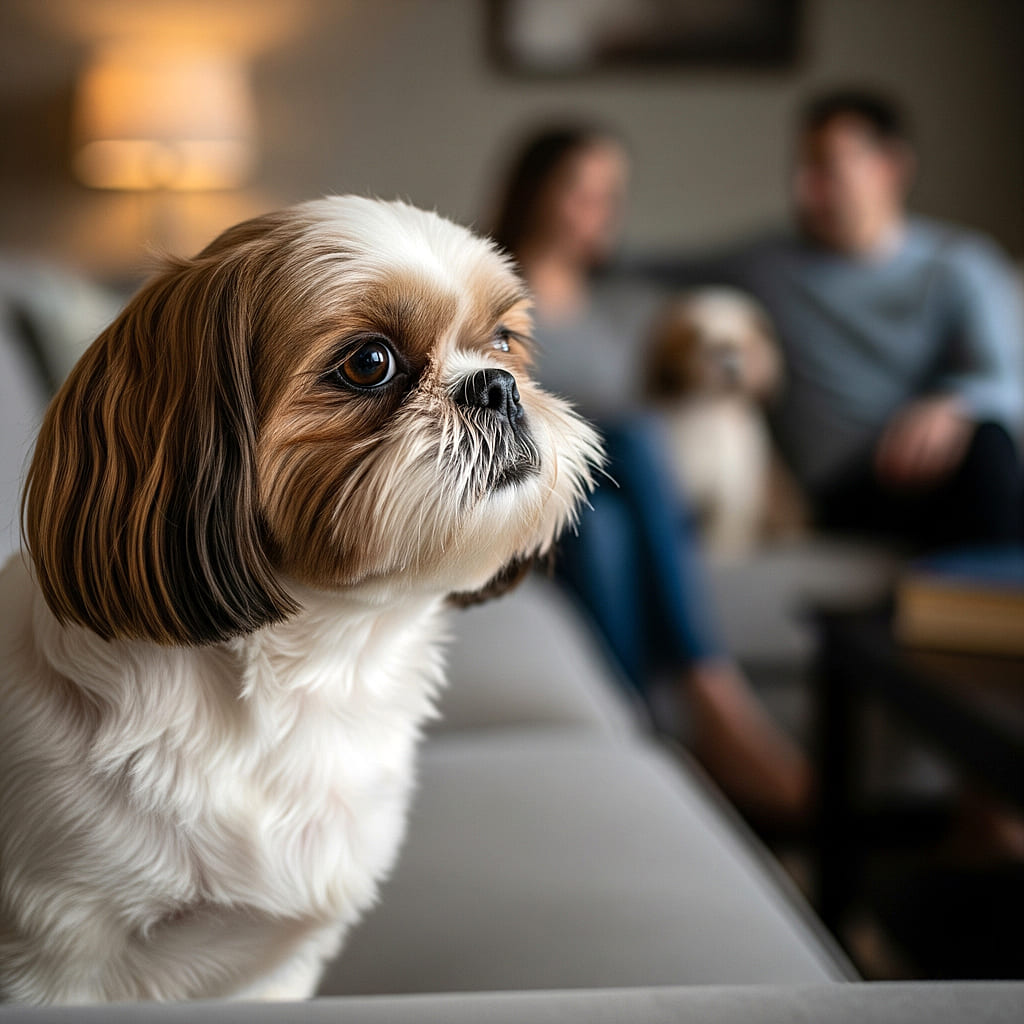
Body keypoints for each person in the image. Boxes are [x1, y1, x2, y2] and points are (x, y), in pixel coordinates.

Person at [491, 127, 811, 820]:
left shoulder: (631, 306)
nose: (599, 211)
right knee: (628, 438)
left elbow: (694, 387)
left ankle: (642, 752)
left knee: (608, 524)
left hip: (618, 510)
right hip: (533, 501)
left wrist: (747, 374)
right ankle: (710, 687)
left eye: (612, 196)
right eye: (582, 191)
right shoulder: (488, 300)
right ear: (535, 193)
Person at [726, 89, 1024, 547]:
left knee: (989, 444)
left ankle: (987, 607)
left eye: (826, 168)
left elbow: (1005, 382)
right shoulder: (766, 265)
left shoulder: (959, 265)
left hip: (938, 472)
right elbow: (643, 269)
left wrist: (955, 404)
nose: (805, 188)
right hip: (842, 492)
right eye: (802, 168)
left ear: (891, 168)